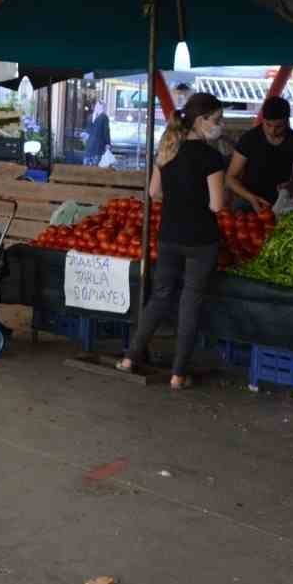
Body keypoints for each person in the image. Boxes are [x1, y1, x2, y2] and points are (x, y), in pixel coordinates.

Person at [120, 92, 228, 389]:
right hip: (201, 241)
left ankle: (130, 358)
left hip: (168, 236)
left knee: (160, 297)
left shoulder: (167, 150)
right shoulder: (211, 157)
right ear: (200, 120)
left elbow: (154, 193)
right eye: (216, 120)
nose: (220, 126)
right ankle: (178, 374)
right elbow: (217, 206)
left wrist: (179, 198)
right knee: (189, 302)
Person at [227, 96, 293, 213]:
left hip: (282, 199)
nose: (272, 131)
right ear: (263, 120)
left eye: (279, 127)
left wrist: (292, 185)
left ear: (287, 121)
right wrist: (252, 198)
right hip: (248, 198)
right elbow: (230, 178)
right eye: (268, 125)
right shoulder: (249, 139)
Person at [83, 100, 112, 166]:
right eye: (104, 106)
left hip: (89, 146)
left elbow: (87, 131)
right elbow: (106, 131)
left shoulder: (90, 117)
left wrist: (85, 139)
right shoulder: (104, 117)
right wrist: (108, 143)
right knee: (96, 167)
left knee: (86, 167)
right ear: (102, 107)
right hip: (98, 146)